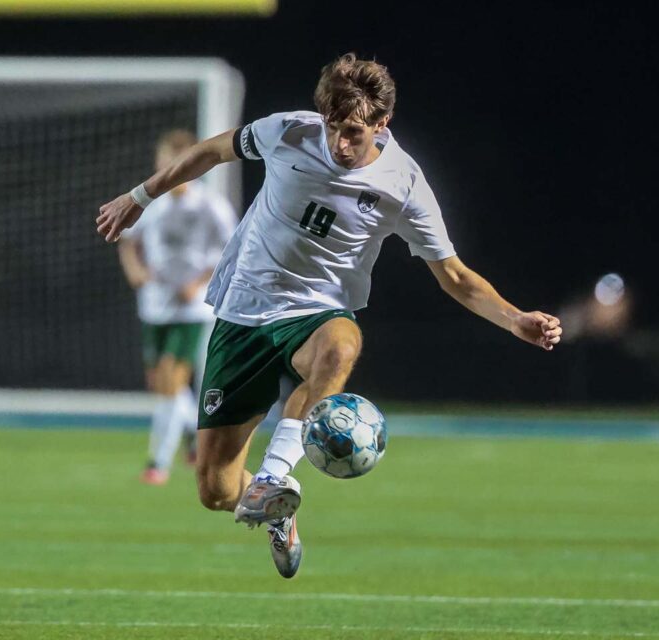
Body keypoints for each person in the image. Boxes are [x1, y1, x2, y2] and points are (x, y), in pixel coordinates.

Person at [97, 54, 563, 578]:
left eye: (355, 133)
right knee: (215, 490)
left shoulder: (403, 183)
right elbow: (211, 151)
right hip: (242, 311)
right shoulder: (287, 133)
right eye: (335, 129)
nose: (341, 143)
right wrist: (141, 196)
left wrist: (515, 318)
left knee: (340, 346)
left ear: (383, 124)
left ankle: (276, 475)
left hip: (317, 310)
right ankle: (276, 513)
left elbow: (453, 275)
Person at [118, 129, 237, 485]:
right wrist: (136, 271)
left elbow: (234, 249)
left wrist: (200, 282)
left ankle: (157, 463)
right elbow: (127, 242)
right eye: (164, 162)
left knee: (172, 379)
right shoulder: (149, 201)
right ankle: (194, 435)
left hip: (193, 309)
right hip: (154, 305)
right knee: (162, 385)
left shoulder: (209, 205)